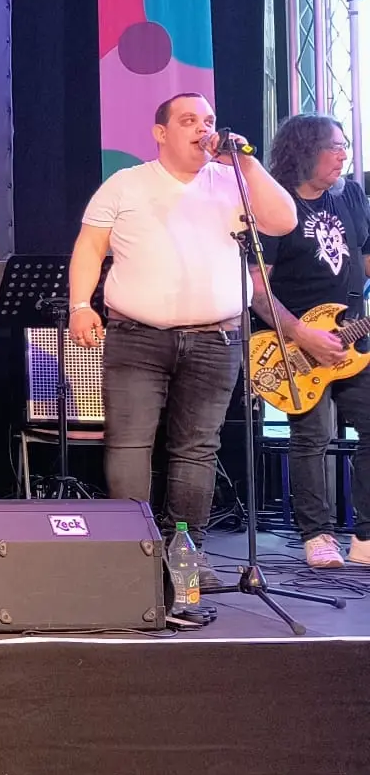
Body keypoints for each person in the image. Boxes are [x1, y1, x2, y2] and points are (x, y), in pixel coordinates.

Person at [69, 93, 296, 550]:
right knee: (130, 444)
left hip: (215, 340)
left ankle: (185, 552)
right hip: (135, 337)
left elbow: (283, 221)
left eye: (208, 120)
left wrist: (246, 163)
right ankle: (133, 553)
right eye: (189, 120)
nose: (202, 129)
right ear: (161, 133)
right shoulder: (125, 184)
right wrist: (80, 305)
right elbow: (90, 247)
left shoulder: (232, 181)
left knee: (197, 449)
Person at [247, 115, 370, 568]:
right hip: (295, 344)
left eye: (345, 145)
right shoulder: (276, 205)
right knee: (312, 436)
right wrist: (301, 333)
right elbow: (257, 290)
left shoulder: (350, 196)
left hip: (352, 338)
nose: (343, 155)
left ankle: (365, 536)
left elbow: (366, 261)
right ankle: (317, 534)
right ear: (304, 150)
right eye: (334, 146)